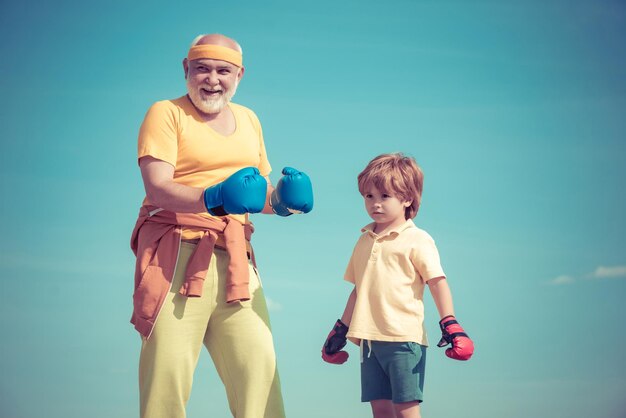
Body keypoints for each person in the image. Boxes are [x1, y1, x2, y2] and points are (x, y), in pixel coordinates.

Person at [129, 33, 313, 418]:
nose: (212, 79)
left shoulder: (249, 119)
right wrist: (212, 197)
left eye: (223, 71)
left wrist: (281, 203)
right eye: (202, 68)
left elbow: (251, 196)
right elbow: (157, 186)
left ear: (240, 75)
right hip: (175, 253)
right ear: (186, 69)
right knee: (168, 374)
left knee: (258, 369)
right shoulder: (166, 112)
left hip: (237, 259)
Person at [321, 153, 473, 418]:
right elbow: (359, 290)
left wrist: (450, 323)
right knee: (380, 410)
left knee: (406, 409)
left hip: (402, 338)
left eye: (384, 196)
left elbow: (437, 282)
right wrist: (339, 330)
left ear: (407, 198)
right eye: (369, 196)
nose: (375, 204)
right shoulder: (364, 240)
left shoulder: (417, 239)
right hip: (368, 339)